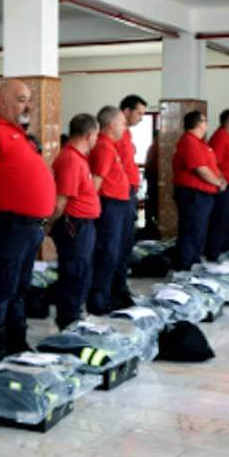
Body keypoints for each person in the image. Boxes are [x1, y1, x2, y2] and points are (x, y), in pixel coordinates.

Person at [0, 79, 54, 364]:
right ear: (2, 102)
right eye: (22, 99)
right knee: (1, 289)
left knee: (18, 289)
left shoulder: (18, 133)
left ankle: (17, 341)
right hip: (7, 225)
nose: (29, 106)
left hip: (29, 227)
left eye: (29, 99)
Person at [48, 114, 101, 330]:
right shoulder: (70, 159)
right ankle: (68, 320)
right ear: (89, 135)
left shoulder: (78, 158)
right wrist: (48, 225)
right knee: (74, 273)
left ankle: (75, 313)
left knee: (82, 273)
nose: (97, 139)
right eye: (97, 135)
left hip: (84, 224)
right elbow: (60, 202)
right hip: (74, 225)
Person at [86, 106, 131, 316]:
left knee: (113, 253)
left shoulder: (110, 146)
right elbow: (95, 183)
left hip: (118, 205)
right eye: (122, 123)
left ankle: (107, 294)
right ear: (111, 125)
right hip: (109, 206)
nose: (125, 127)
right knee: (107, 253)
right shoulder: (104, 147)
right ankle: (98, 299)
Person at [172, 111, 227, 270]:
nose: (206, 123)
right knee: (192, 229)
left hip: (203, 194)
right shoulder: (190, 142)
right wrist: (218, 182)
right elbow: (200, 169)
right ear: (199, 123)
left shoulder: (199, 142)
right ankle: (185, 266)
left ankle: (193, 261)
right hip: (193, 194)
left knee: (199, 229)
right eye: (205, 120)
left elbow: (210, 166)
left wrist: (219, 178)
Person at [112, 95, 147, 308]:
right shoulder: (115, 136)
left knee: (125, 246)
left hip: (128, 195)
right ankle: (113, 291)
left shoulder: (126, 135)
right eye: (139, 113)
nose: (141, 118)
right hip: (118, 199)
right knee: (114, 248)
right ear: (126, 111)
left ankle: (121, 288)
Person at [204, 109, 229, 261]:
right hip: (223, 188)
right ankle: (214, 252)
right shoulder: (220, 138)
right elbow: (214, 164)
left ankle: (224, 250)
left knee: (227, 220)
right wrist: (221, 181)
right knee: (220, 220)